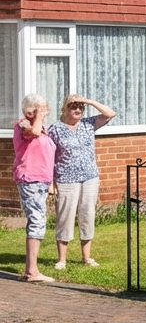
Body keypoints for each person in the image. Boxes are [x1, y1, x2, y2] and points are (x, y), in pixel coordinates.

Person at [49, 94, 115, 270]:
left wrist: (89, 101)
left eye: (80, 107)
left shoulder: (88, 124)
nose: (77, 110)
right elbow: (49, 157)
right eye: (73, 107)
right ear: (65, 108)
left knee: (87, 214)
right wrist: (51, 182)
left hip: (89, 177)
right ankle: (62, 259)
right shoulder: (55, 129)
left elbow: (110, 113)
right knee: (65, 216)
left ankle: (86, 257)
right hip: (66, 178)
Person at [13, 94, 55, 283]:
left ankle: (31, 269)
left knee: (38, 221)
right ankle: (32, 271)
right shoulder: (23, 125)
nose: (46, 112)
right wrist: (37, 115)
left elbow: (46, 156)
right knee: (37, 221)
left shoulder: (42, 128)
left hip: (41, 180)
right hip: (30, 179)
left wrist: (51, 182)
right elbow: (34, 132)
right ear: (32, 111)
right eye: (43, 109)